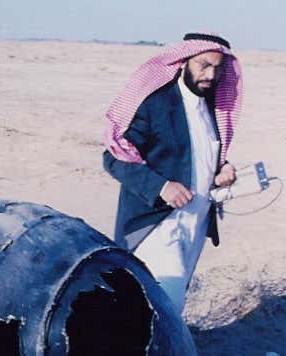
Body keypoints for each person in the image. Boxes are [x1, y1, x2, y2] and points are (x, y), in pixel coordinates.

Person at [102, 32, 243, 313]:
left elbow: (201, 155)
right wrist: (161, 187)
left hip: (196, 223)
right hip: (158, 224)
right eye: (204, 65)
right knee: (163, 306)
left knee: (162, 309)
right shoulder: (156, 104)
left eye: (217, 68)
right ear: (184, 61)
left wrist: (222, 169)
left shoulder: (212, 106)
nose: (211, 74)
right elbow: (113, 157)